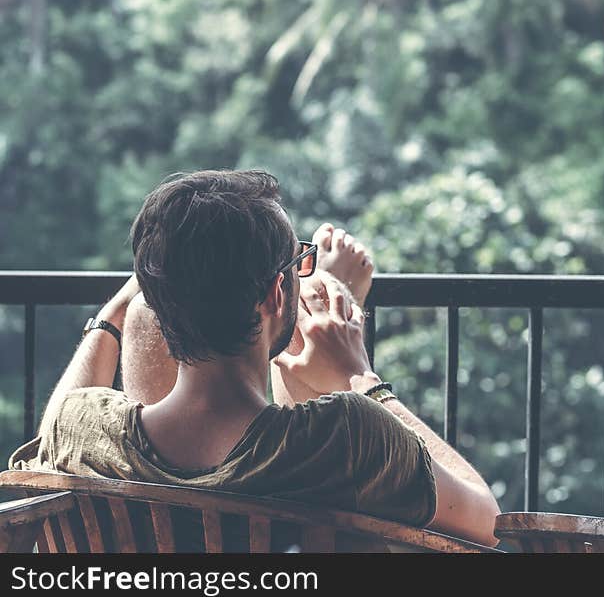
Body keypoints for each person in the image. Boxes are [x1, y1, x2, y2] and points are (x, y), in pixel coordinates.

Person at [9, 170, 500, 547]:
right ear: (273, 294)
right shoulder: (348, 436)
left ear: (157, 300)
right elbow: (490, 523)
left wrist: (115, 313)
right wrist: (361, 377)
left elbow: (46, 447)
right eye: (297, 266)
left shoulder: (84, 428)